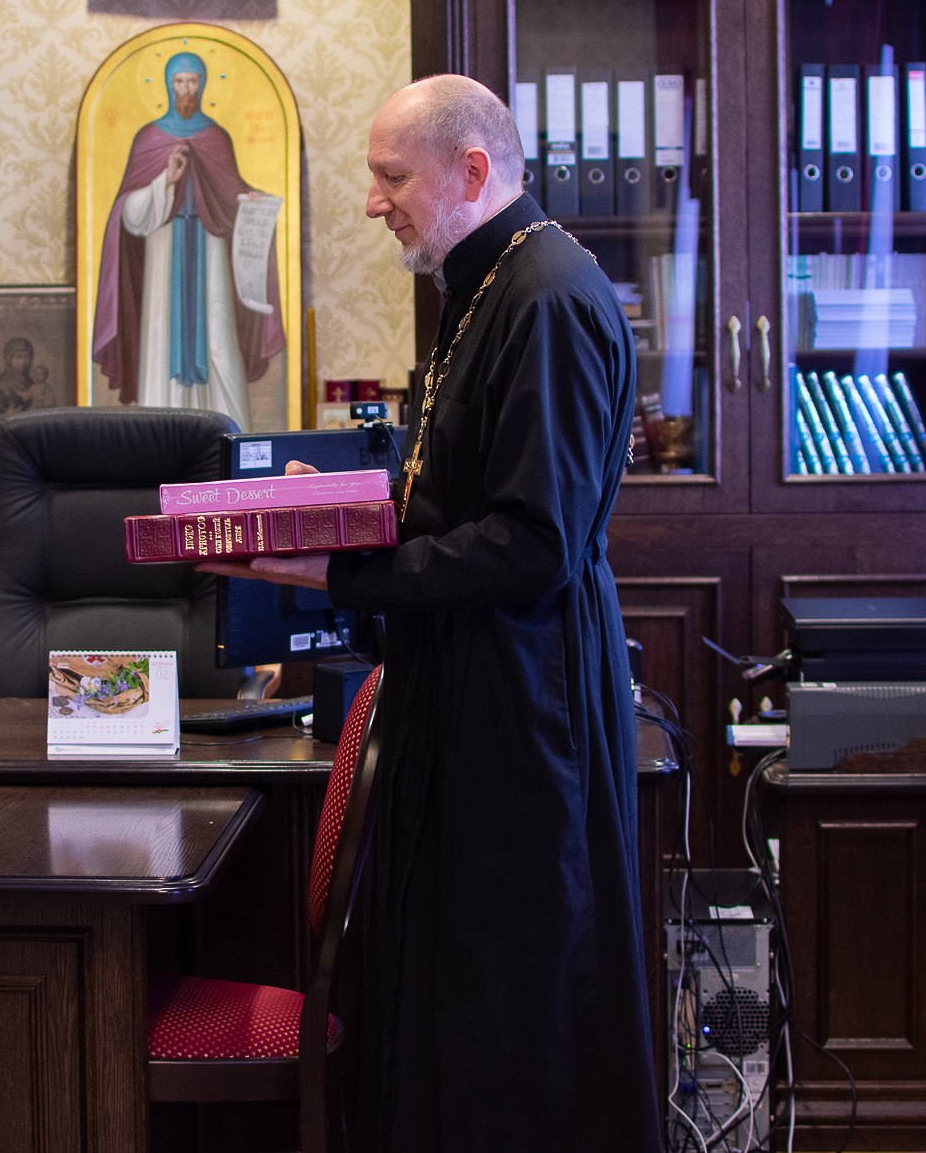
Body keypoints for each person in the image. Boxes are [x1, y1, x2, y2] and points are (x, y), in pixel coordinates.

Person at [199, 75, 659, 1151]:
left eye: (391, 177)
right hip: (470, 676)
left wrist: (339, 573)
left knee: (510, 992)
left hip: (523, 698)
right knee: (454, 974)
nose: (374, 202)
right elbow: (456, 497)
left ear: (472, 170)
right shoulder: (486, 281)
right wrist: (343, 516)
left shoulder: (544, 297)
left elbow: (531, 544)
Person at [92, 50, 283, 428]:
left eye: (192, 81)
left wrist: (249, 199)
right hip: (162, 250)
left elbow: (229, 193)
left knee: (219, 338)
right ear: (167, 86)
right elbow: (127, 214)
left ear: (203, 84)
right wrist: (165, 180)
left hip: (210, 249)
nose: (186, 89)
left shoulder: (216, 138)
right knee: (160, 338)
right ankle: (157, 435)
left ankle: (231, 429)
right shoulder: (149, 139)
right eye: (179, 82)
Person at [0, 335, 57, 441]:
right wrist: (5, 417)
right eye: (18, 356)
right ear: (9, 360)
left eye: (27, 357)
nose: (24, 361)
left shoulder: (34, 384)